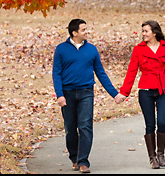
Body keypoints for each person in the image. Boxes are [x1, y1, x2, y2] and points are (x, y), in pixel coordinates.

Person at [52, 18, 123, 173]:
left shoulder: (92, 50)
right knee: (70, 128)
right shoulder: (61, 49)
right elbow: (56, 74)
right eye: (83, 29)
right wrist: (59, 95)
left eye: (86, 29)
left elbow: (101, 73)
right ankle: (75, 157)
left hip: (86, 93)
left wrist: (114, 94)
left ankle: (84, 161)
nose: (86, 32)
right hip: (68, 94)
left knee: (85, 126)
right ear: (74, 32)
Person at [115, 20, 165, 169]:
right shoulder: (138, 49)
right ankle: (152, 158)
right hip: (145, 91)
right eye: (143, 31)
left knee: (162, 122)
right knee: (150, 124)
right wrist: (124, 92)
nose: (143, 34)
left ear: (154, 32)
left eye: (146, 31)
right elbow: (131, 71)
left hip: (163, 90)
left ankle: (161, 154)